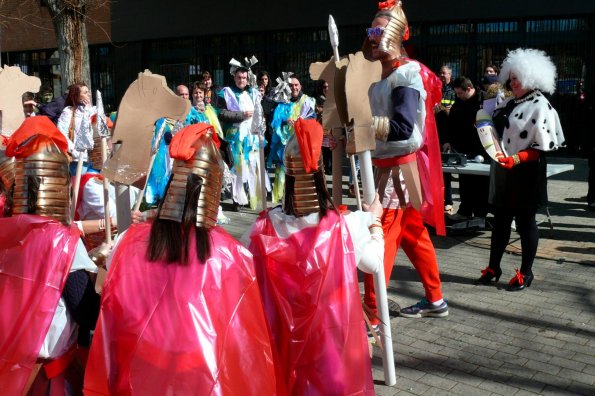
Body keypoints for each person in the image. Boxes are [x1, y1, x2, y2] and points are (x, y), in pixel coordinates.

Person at [84, 124, 280, 395]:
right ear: (212, 191)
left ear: (172, 185)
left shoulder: (130, 241)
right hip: (198, 374)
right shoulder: (229, 254)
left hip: (141, 367)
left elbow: (112, 303)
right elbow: (239, 337)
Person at [244, 119, 381, 395]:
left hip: (281, 346)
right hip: (329, 349)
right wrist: (375, 221)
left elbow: (241, 267)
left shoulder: (262, 227)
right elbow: (374, 262)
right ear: (320, 176)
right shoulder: (345, 227)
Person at [0, 116, 99, 394]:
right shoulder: (63, 242)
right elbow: (86, 311)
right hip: (44, 377)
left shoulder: (4, 232)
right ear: (58, 185)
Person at [362, 0, 448, 319]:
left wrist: (364, 127)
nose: (373, 37)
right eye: (371, 30)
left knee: (378, 240)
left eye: (380, 31)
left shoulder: (405, 75)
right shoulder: (382, 77)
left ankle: (372, 316)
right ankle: (435, 298)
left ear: (399, 35)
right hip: (392, 169)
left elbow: (407, 131)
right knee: (413, 234)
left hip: (396, 173)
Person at [476, 48, 565, 291]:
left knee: (526, 223)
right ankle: (494, 267)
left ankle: (526, 273)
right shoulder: (509, 102)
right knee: (501, 222)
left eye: (518, 78)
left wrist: (516, 159)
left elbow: (541, 146)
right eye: (512, 77)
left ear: (532, 78)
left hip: (527, 172)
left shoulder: (541, 105)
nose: (513, 82)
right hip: (505, 171)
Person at [216, 64, 266, 210]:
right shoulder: (226, 92)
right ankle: (237, 200)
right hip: (235, 139)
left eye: (244, 78)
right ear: (234, 77)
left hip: (251, 139)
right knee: (237, 170)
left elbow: (260, 113)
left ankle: (252, 198)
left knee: (252, 167)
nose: (241, 80)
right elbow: (222, 114)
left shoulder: (253, 93)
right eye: (239, 77)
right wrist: (242, 115)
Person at [444, 76, 490, 222]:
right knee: (464, 181)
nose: (458, 96)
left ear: (469, 89)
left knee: (480, 184)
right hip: (462, 148)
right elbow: (452, 122)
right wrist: (449, 141)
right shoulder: (460, 102)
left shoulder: (483, 101)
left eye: (460, 93)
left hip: (480, 148)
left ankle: (480, 214)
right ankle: (465, 210)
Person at [268, 73, 316, 203]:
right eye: (291, 85)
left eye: (296, 85)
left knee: (298, 169)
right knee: (282, 168)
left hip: (300, 143)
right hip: (283, 144)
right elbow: (272, 120)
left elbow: (313, 119)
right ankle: (282, 195)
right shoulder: (282, 101)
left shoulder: (307, 100)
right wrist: (284, 120)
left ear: (300, 86)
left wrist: (300, 122)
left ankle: (298, 194)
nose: (294, 87)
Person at [56, 82, 95, 175]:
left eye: (88, 92)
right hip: (77, 160)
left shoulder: (90, 110)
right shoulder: (68, 111)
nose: (88, 94)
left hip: (92, 158)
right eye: (85, 92)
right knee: (78, 186)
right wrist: (74, 151)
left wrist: (89, 110)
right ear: (77, 96)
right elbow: (61, 133)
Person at [436, 64, 456, 214]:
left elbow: (456, 111)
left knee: (447, 171)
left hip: (449, 133)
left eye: (444, 73)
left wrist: (447, 110)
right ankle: (438, 200)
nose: (442, 76)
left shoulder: (454, 90)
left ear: (450, 74)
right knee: (437, 171)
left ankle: (448, 202)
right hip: (436, 131)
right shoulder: (436, 89)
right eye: (440, 73)